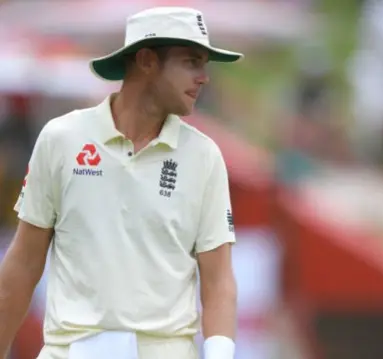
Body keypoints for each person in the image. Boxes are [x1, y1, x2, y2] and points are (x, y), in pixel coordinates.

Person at [0, 7, 244, 359]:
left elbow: (219, 280)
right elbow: (23, 263)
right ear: (146, 60)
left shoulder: (205, 157)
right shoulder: (62, 139)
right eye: (191, 62)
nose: (203, 77)